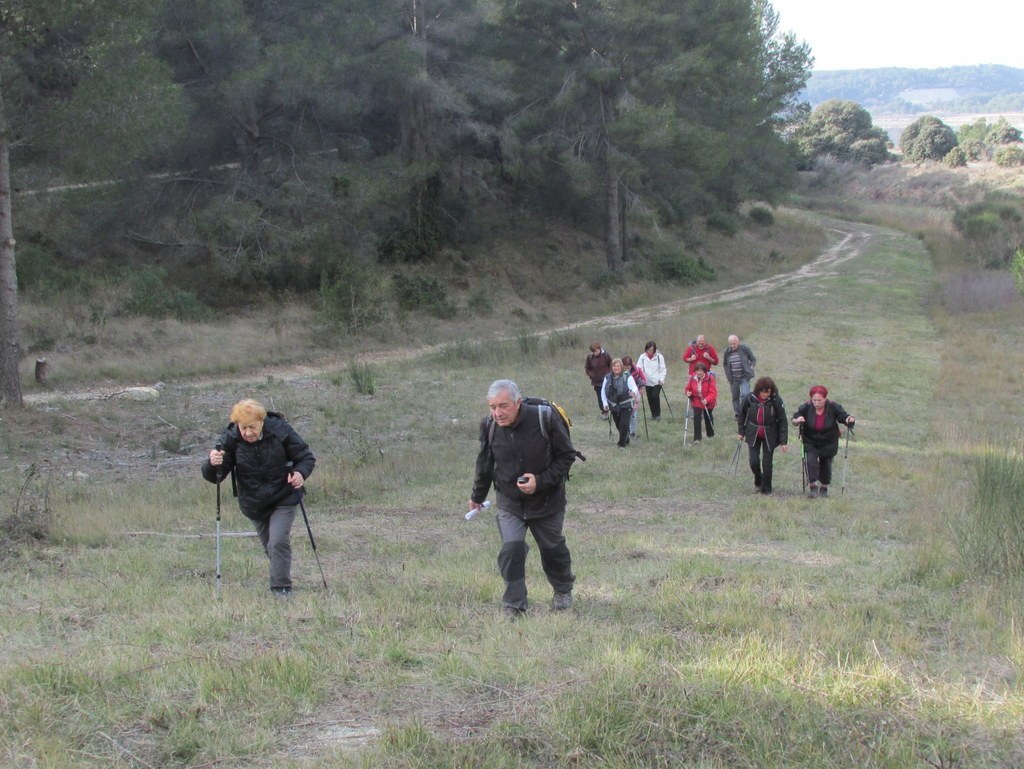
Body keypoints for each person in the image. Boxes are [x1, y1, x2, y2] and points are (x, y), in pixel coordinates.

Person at [469, 380, 577, 618]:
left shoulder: (545, 418)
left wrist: (540, 480)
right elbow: (485, 461)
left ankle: (562, 590)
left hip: (547, 501)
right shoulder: (489, 425)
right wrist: (477, 495)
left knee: (552, 548)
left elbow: (567, 457)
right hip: (510, 502)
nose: (497, 413)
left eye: (503, 406)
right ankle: (514, 604)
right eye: (493, 407)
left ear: (518, 402)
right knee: (512, 548)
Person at [202, 399, 316, 596]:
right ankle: (280, 576)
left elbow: (305, 457)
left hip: (284, 495)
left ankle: (281, 588)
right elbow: (216, 477)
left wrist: (300, 473)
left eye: (252, 427)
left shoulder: (280, 430)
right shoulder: (230, 439)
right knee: (270, 547)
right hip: (254, 502)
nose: (247, 433)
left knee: (277, 541)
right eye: (243, 428)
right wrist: (212, 464)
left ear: (262, 421)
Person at [792, 385, 856, 498]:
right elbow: (795, 417)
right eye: (814, 400)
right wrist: (798, 420)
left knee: (826, 465)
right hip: (810, 440)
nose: (816, 403)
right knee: (811, 462)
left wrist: (849, 419)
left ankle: (824, 487)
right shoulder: (806, 407)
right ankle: (813, 487)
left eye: (819, 400)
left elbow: (843, 416)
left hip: (829, 441)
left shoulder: (833, 406)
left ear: (825, 399)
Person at [737, 376, 788, 495]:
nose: (765, 395)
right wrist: (741, 432)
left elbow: (782, 421)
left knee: (767, 463)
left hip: (770, 435)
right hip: (752, 433)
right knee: (753, 461)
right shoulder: (750, 398)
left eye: (768, 392)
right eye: (763, 392)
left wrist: (783, 441)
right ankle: (758, 479)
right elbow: (742, 415)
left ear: (771, 391)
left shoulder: (776, 401)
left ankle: (766, 489)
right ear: (758, 390)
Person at [601, 358, 640, 448]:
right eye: (614, 366)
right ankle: (625, 437)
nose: (616, 368)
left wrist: (633, 392)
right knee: (618, 423)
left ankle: (621, 444)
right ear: (611, 367)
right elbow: (603, 392)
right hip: (613, 404)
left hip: (626, 403)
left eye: (618, 366)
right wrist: (605, 404)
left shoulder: (627, 376)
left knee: (624, 423)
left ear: (621, 367)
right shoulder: (607, 377)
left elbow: (634, 387)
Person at [722, 335, 756, 417]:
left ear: (738, 342)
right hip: (733, 379)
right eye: (730, 344)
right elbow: (725, 364)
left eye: (734, 344)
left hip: (744, 377)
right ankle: (737, 414)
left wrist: (751, 367)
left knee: (745, 394)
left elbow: (753, 359)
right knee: (735, 396)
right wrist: (728, 375)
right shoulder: (727, 352)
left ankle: (744, 411)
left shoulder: (744, 349)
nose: (732, 346)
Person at [684, 362, 717, 442]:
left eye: (701, 371)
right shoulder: (693, 378)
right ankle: (697, 439)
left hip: (708, 401)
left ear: (704, 371)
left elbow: (713, 392)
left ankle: (710, 434)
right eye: (697, 370)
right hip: (696, 401)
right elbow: (687, 388)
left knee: (707, 417)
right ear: (695, 371)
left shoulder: (710, 378)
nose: (699, 372)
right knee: (697, 418)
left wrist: (707, 400)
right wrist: (688, 392)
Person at [636, 341, 667, 420]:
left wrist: (661, 379)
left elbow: (663, 369)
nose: (650, 352)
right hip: (647, 382)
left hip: (658, 381)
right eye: (648, 350)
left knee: (655, 396)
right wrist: (640, 379)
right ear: (646, 350)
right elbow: (639, 368)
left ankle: (658, 414)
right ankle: (653, 414)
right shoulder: (642, 357)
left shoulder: (659, 357)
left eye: (652, 350)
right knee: (650, 398)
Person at [585, 342, 613, 418]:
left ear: (599, 349)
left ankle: (613, 410)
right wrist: (591, 375)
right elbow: (587, 368)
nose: (595, 353)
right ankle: (605, 412)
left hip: (607, 381)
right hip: (597, 382)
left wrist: (610, 375)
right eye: (593, 351)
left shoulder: (606, 355)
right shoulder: (590, 357)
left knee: (610, 396)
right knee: (600, 397)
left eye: (596, 351)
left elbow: (611, 364)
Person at [622, 355, 646, 437]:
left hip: (635, 394)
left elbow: (643, 380)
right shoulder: (619, 372)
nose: (627, 369)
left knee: (634, 413)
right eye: (625, 367)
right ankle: (627, 430)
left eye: (628, 367)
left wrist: (641, 386)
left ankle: (633, 431)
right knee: (626, 413)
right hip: (625, 395)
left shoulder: (637, 370)